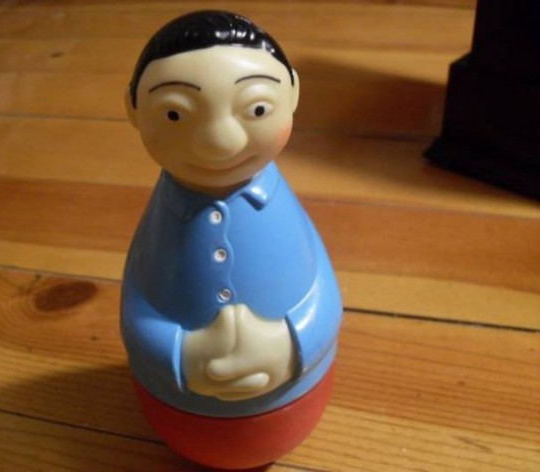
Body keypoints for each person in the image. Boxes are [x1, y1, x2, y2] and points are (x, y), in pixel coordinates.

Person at [121, 10, 343, 468]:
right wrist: (182, 355)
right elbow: (137, 303)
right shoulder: (161, 224)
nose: (220, 141)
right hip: (176, 406)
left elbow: (323, 290)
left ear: (292, 93)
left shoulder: (284, 212)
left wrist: (291, 343)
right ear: (133, 110)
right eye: (175, 114)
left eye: (256, 109)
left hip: (295, 395)